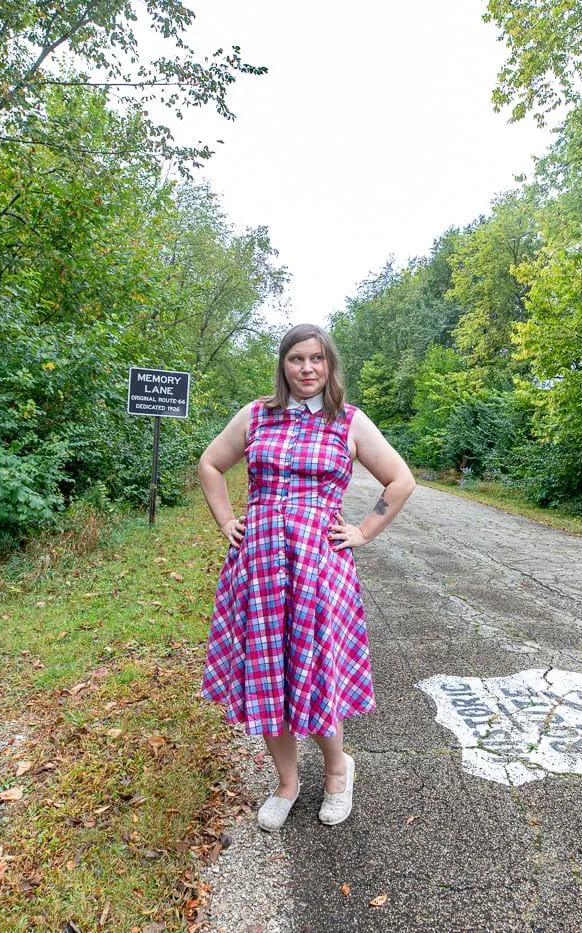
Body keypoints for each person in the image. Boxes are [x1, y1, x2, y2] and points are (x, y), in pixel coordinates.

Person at [197, 323, 415, 830]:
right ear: (283, 365)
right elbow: (210, 464)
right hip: (259, 568)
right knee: (269, 673)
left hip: (320, 569)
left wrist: (363, 530)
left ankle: (339, 770)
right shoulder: (257, 415)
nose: (307, 368)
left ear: (330, 365)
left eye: (317, 359)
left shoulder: (350, 423)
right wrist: (228, 520)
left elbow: (401, 481)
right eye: (297, 359)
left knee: (314, 673)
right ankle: (288, 782)